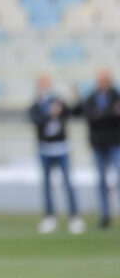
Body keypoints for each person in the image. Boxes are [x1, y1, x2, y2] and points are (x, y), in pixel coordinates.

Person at [29, 75, 84, 234]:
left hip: (61, 148)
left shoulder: (58, 102)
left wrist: (76, 97)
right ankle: (50, 217)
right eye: (42, 84)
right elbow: (37, 121)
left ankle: (74, 217)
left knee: (67, 183)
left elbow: (77, 112)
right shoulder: (36, 105)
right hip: (45, 149)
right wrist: (50, 113)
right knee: (47, 185)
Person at [72, 70, 120, 229]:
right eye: (101, 81)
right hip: (98, 143)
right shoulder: (92, 98)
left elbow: (101, 116)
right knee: (101, 181)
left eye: (105, 81)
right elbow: (81, 112)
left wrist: (100, 115)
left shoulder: (115, 96)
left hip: (115, 142)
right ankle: (105, 215)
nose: (103, 84)